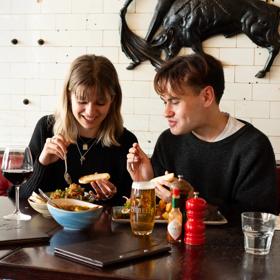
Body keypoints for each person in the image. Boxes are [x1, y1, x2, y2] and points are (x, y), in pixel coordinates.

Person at [127, 53, 278, 222]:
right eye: (164, 102)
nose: (166, 112)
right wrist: (145, 184)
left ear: (206, 96)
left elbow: (259, 221)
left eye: (175, 101)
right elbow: (158, 217)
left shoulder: (253, 146)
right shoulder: (168, 141)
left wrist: (195, 202)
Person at [8, 54, 137, 205]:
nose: (90, 112)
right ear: (69, 97)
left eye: (100, 103)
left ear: (113, 100)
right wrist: (42, 163)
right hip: (46, 228)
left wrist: (113, 197)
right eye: (82, 101)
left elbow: (130, 208)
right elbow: (19, 198)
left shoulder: (126, 142)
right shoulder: (46, 128)